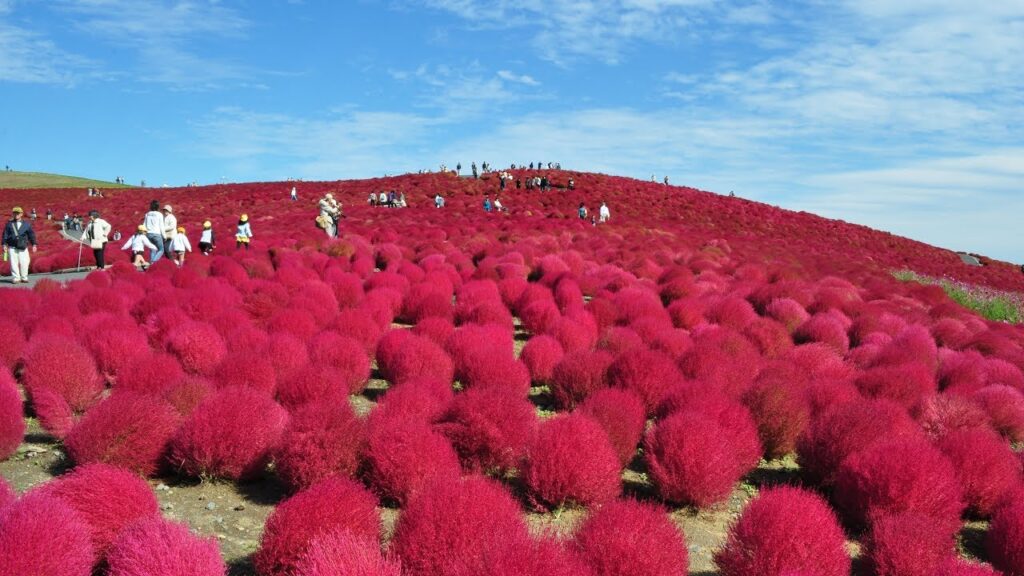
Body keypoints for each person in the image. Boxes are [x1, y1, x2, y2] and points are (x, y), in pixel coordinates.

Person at [3, 207, 38, 283]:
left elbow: (31, 235)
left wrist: (34, 244)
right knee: (13, 263)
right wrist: (4, 244)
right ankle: (16, 278)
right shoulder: (9, 224)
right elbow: (5, 235)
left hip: (23, 247)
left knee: (25, 262)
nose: (16, 214)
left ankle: (24, 277)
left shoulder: (26, 224)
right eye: (14, 213)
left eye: (18, 213)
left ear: (21, 214)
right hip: (12, 247)